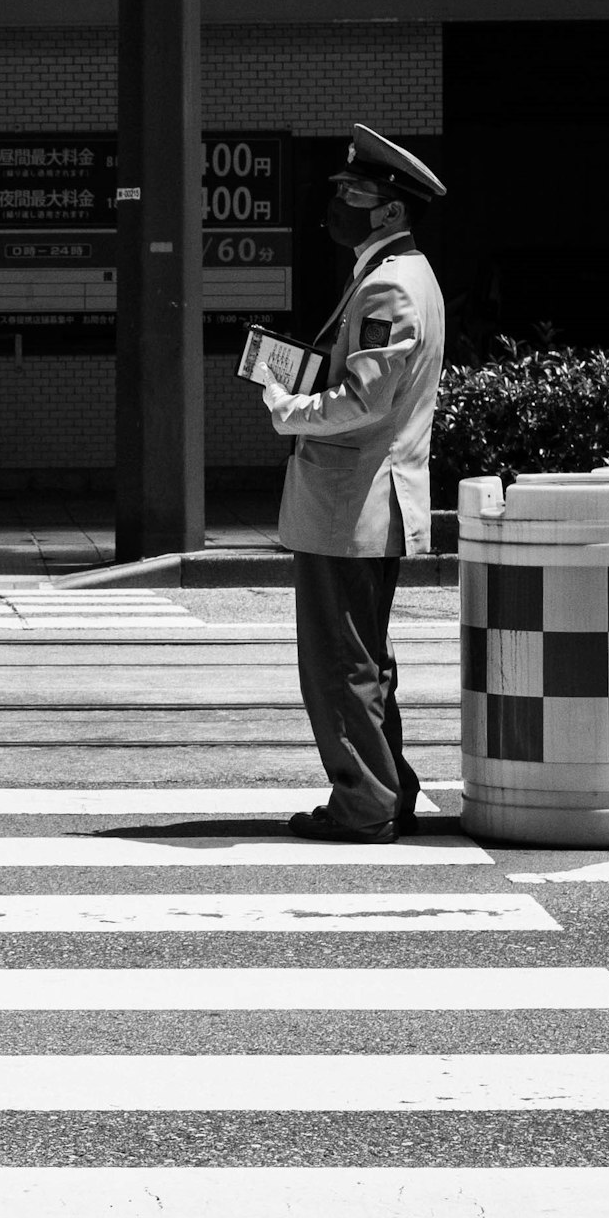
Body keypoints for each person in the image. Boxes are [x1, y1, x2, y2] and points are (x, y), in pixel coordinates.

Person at [257, 125, 451, 845]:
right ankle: (387, 787)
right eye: (341, 190)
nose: (339, 202)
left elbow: (364, 400)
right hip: (364, 503)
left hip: (353, 504)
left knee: (340, 665)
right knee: (364, 660)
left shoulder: (391, 286)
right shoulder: (399, 274)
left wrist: (289, 410)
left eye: (357, 194)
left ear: (392, 212)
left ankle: (364, 804)